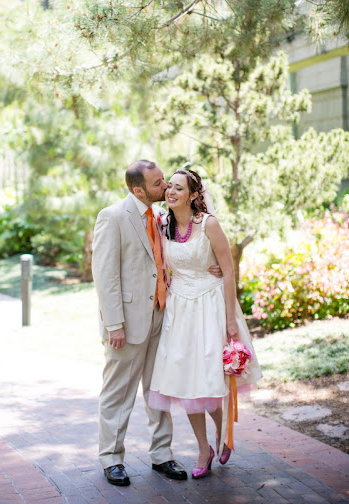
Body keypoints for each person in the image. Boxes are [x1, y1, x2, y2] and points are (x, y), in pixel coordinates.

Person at [92, 160, 222, 487]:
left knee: (158, 390)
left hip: (163, 317)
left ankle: (162, 454)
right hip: (126, 323)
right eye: (158, 183)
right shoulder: (113, 217)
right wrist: (114, 325)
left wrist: (213, 268)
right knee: (118, 392)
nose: (165, 187)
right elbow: (105, 276)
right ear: (138, 190)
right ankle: (111, 458)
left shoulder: (163, 217)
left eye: (165, 180)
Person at [149, 168, 262, 479]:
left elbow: (227, 271)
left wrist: (229, 320)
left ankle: (223, 433)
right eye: (168, 187)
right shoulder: (163, 224)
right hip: (179, 310)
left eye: (178, 188)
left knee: (211, 378)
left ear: (194, 195)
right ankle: (203, 448)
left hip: (210, 306)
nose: (170, 192)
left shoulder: (209, 224)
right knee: (186, 382)